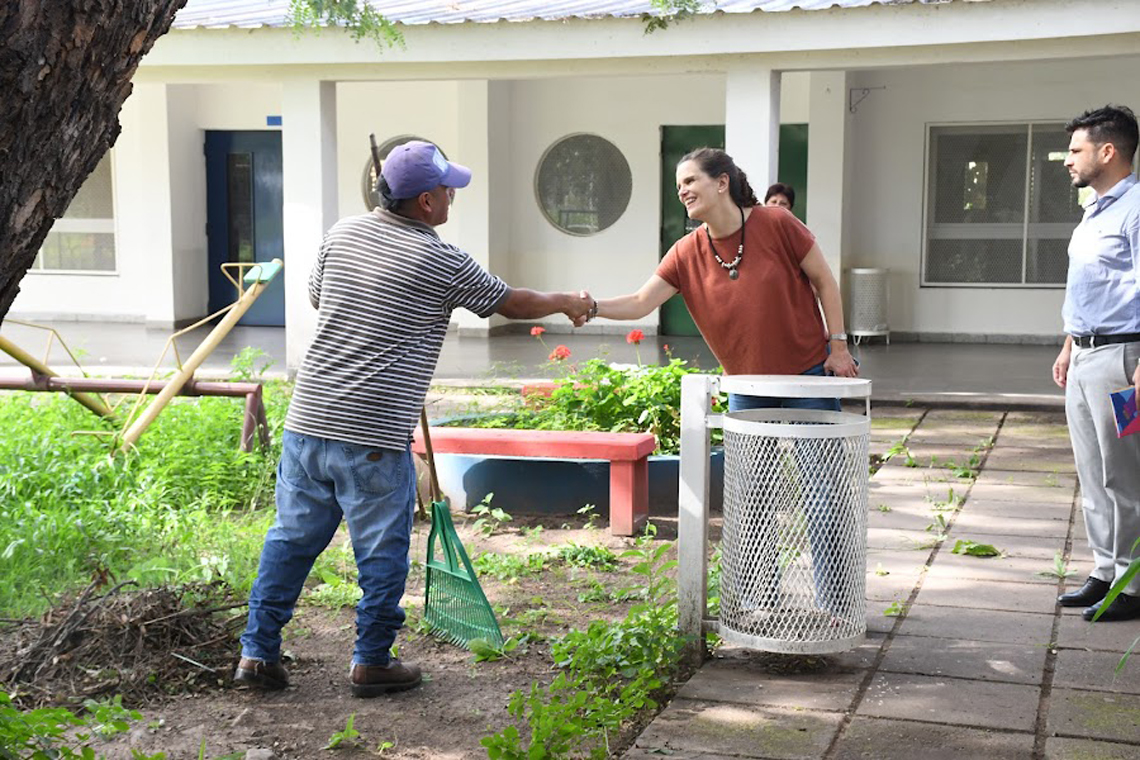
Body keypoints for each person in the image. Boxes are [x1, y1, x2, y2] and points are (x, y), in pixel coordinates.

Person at [234, 141, 593, 695]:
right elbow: (510, 302)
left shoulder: (341, 233)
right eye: (448, 189)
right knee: (382, 549)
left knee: (290, 539)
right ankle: (372, 660)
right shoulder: (440, 259)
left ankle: (256, 655)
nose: (453, 197)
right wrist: (567, 299)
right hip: (372, 432)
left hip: (307, 421)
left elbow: (319, 297)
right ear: (426, 201)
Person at [585, 147, 858, 616]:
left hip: (808, 377)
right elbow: (640, 302)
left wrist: (838, 346)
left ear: (722, 182)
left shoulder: (777, 224)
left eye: (690, 181)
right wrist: (590, 307)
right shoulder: (687, 252)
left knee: (823, 495)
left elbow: (824, 282)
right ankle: (761, 603)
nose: (683, 191)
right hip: (747, 387)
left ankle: (836, 606)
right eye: (678, 186)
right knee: (753, 501)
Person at [1053, 105, 1140, 623]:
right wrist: (1069, 345)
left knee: (1124, 475)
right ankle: (1105, 571)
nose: (1067, 159)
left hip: (1122, 360)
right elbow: (1092, 286)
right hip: (1085, 356)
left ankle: (1133, 584)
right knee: (1092, 472)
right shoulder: (1096, 209)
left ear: (1108, 152)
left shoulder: (1136, 210)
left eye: (1075, 150)